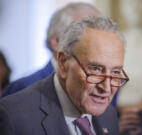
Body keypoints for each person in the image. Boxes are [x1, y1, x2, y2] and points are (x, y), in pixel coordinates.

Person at [0, 16, 128, 135]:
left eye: (115, 72)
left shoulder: (109, 114)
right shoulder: (13, 117)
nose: (106, 88)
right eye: (95, 69)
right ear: (63, 63)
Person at [1, 2, 102, 98]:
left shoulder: (106, 86)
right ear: (56, 42)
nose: (95, 46)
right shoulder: (23, 89)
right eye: (83, 37)